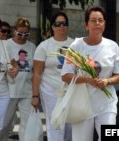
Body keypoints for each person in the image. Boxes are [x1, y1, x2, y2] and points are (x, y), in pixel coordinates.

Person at [61, 6, 119, 141]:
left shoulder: (113, 46)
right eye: (93, 20)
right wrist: (87, 80)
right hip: (82, 104)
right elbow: (65, 75)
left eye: (100, 20)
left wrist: (107, 81)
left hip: (107, 103)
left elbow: (118, 76)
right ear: (86, 25)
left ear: (104, 24)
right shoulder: (76, 46)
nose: (97, 24)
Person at [31, 11, 74, 141]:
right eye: (58, 24)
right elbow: (37, 73)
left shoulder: (75, 45)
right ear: (53, 27)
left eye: (64, 23)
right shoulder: (44, 46)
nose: (62, 26)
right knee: (55, 124)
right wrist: (35, 96)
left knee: (70, 126)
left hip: (70, 90)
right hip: (50, 90)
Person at [0, 17, 36, 141]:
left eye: (26, 34)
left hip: (27, 91)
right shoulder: (5, 45)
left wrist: (36, 93)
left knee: (27, 123)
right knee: (4, 124)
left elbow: (35, 70)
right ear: (14, 31)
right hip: (9, 90)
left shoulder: (32, 47)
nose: (22, 37)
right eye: (20, 33)